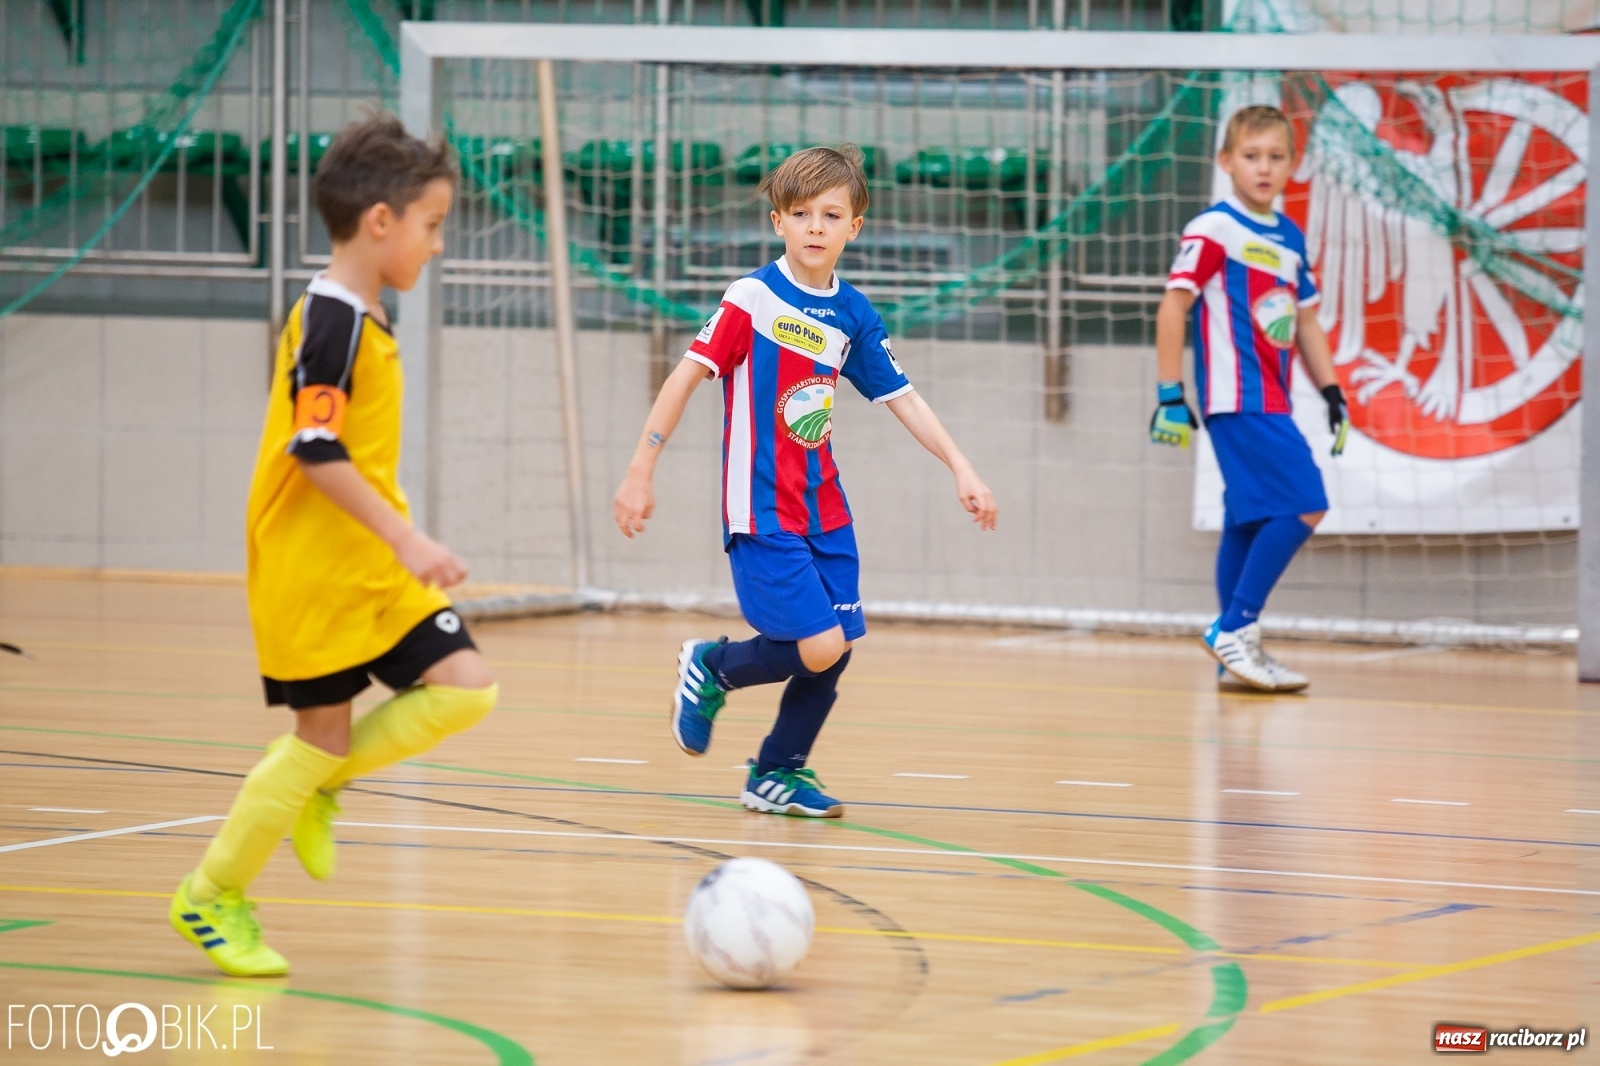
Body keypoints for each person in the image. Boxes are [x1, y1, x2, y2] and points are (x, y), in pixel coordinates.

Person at [169, 114, 498, 976]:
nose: (436, 246)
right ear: (381, 221)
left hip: (372, 565)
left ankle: (327, 781)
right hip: (313, 573)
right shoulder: (332, 322)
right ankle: (211, 895)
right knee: (319, 737)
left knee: (467, 689)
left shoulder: (362, 316)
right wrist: (410, 536)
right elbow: (313, 449)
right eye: (431, 226)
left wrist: (395, 543)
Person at [613, 145, 998, 817]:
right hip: (761, 510)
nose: (814, 227)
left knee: (836, 647)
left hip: (826, 511)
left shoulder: (851, 314)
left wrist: (961, 466)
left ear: (856, 226)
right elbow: (686, 376)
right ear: (777, 222)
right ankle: (714, 666)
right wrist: (641, 466)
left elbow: (902, 396)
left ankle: (777, 773)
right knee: (816, 643)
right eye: (800, 213)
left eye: (830, 214)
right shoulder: (752, 299)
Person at [1150, 104, 1348, 693]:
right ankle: (1233, 627)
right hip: (1235, 398)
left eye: (1276, 156)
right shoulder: (1214, 228)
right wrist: (1169, 394)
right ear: (1227, 162)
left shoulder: (1289, 238)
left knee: (1247, 519)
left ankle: (1234, 655)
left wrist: (1332, 388)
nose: (1264, 168)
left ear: (1294, 164)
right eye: (1252, 155)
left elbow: (1307, 324)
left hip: (1274, 397)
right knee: (1306, 502)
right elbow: (1173, 306)